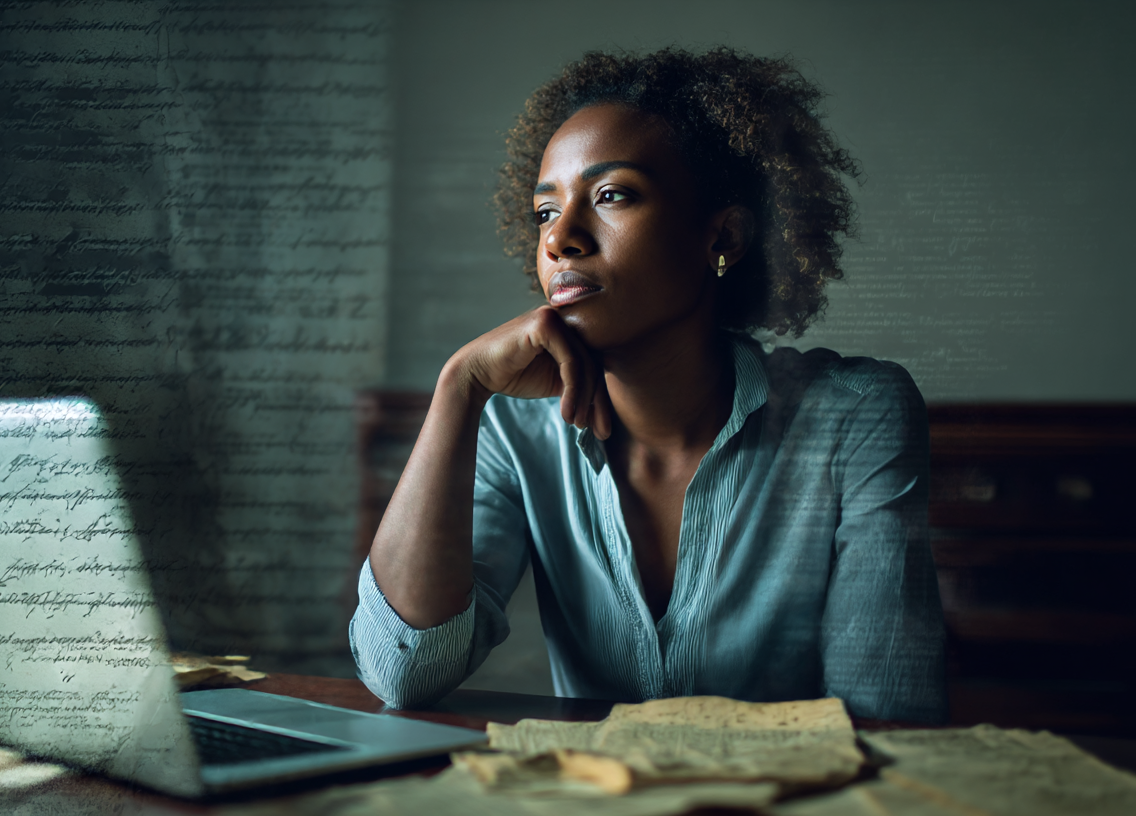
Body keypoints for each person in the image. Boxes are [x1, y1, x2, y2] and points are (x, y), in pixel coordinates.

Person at [349, 47, 947, 723]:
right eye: (545, 212)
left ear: (720, 236)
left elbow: (888, 715)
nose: (560, 240)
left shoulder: (854, 417)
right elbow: (402, 673)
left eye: (612, 196)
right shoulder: (513, 431)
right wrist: (459, 387)